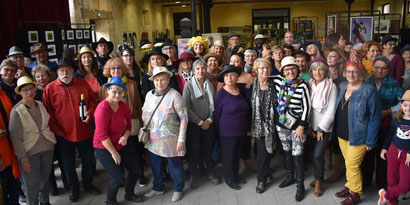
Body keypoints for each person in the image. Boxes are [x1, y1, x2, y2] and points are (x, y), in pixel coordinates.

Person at [43, 58, 100, 202]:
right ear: (56, 72)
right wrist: (57, 131)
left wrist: (90, 113)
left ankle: (88, 184)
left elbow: (93, 101)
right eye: (61, 70)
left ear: (73, 71)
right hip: (63, 135)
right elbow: (47, 112)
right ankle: (74, 188)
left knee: (88, 161)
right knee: (68, 164)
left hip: (84, 131)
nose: (65, 72)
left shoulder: (82, 83)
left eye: (68, 69)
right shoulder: (50, 88)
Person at [334, 60, 381, 205]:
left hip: (359, 136)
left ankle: (355, 194)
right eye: (348, 71)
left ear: (361, 73)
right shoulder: (342, 86)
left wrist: (371, 140)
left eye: (354, 71)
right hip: (342, 134)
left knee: (352, 165)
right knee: (349, 164)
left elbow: (375, 116)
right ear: (344, 73)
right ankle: (349, 187)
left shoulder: (368, 90)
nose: (351, 74)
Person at [94, 76, 144, 205]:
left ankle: (129, 193)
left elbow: (128, 127)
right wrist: (114, 153)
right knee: (118, 178)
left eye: (120, 91)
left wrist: (125, 136)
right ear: (107, 91)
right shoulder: (102, 109)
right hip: (104, 146)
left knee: (136, 170)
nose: (117, 94)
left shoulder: (124, 106)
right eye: (114, 91)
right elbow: (102, 135)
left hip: (121, 143)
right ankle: (110, 201)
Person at [142, 67, 188, 202]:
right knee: (155, 165)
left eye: (162, 79)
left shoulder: (175, 95)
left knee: (175, 165)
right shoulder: (149, 95)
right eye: (156, 80)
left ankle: (178, 188)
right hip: (152, 139)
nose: (159, 83)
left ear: (168, 80)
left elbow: (184, 118)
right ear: (153, 81)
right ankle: (158, 187)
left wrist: (181, 139)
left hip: (171, 139)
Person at [9, 76, 56, 205]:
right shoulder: (16, 111)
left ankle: (45, 202)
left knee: (44, 179)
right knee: (31, 183)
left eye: (31, 88)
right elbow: (16, 138)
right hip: (29, 152)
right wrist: (23, 158)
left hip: (47, 148)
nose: (29, 92)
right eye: (25, 90)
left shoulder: (40, 104)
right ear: (19, 92)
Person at [272, 56, 311, 202]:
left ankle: (300, 186)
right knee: (287, 152)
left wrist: (302, 126)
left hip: (297, 127)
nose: (290, 71)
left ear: (298, 69)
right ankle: (290, 177)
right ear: (282, 71)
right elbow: (260, 74)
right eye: (287, 69)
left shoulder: (303, 85)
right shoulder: (277, 81)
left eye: (293, 68)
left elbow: (307, 108)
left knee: (297, 155)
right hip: (281, 125)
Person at [362, 55, 402, 189]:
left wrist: (388, 111)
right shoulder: (365, 82)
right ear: (372, 68)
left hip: (386, 124)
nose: (380, 71)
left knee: (383, 154)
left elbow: (403, 103)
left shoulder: (393, 83)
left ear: (388, 70)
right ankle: (365, 182)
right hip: (368, 124)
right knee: (367, 154)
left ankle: (382, 184)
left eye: (383, 68)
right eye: (377, 67)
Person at [182, 59, 219, 189]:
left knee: (207, 149)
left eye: (203, 68)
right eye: (197, 68)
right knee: (194, 151)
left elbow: (214, 104)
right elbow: (185, 106)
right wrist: (199, 121)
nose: (201, 71)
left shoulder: (210, 84)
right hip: (194, 124)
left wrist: (209, 120)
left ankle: (209, 172)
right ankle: (194, 175)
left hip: (209, 123)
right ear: (193, 71)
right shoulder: (188, 86)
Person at [214, 65, 249, 190]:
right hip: (227, 132)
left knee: (237, 155)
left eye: (232, 75)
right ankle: (229, 179)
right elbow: (216, 115)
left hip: (241, 130)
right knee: (229, 156)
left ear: (237, 77)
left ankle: (236, 175)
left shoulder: (240, 91)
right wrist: (219, 132)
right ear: (224, 78)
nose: (229, 77)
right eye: (227, 75)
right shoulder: (220, 94)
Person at [308, 57, 338, 197]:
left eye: (321, 69)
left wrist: (321, 128)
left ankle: (319, 182)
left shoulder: (331, 86)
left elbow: (331, 110)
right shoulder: (310, 84)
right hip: (311, 126)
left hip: (323, 128)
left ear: (326, 71)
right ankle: (316, 177)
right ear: (311, 71)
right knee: (313, 155)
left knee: (318, 154)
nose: (317, 72)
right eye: (315, 69)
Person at [378, 90, 410, 205]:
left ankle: (385, 195)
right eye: (405, 105)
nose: (408, 109)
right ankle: (392, 201)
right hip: (393, 150)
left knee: (405, 185)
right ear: (401, 105)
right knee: (392, 180)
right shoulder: (397, 119)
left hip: (407, 156)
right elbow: (390, 134)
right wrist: (384, 148)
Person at [251, 58, 277, 194]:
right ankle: (262, 180)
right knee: (262, 153)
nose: (265, 70)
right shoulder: (251, 86)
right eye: (261, 68)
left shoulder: (276, 84)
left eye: (267, 68)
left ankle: (266, 171)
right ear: (256, 71)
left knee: (270, 152)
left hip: (275, 125)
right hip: (259, 126)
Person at [0, 82, 21, 205]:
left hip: (10, 148)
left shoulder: (4, 96)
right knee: (4, 189)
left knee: (13, 183)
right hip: (1, 154)